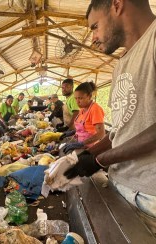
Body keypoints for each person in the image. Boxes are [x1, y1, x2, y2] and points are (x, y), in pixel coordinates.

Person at [64, 0, 156, 235]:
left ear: (117, 4)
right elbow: (121, 132)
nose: (92, 38)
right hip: (120, 187)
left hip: (150, 199)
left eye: (94, 26)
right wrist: (89, 153)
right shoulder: (121, 65)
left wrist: (99, 161)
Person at [60, 82, 105, 153]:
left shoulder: (95, 109)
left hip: (90, 149)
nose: (77, 101)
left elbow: (101, 134)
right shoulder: (82, 109)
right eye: (76, 98)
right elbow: (84, 129)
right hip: (81, 146)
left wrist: (81, 144)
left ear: (89, 96)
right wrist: (72, 132)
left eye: (80, 98)